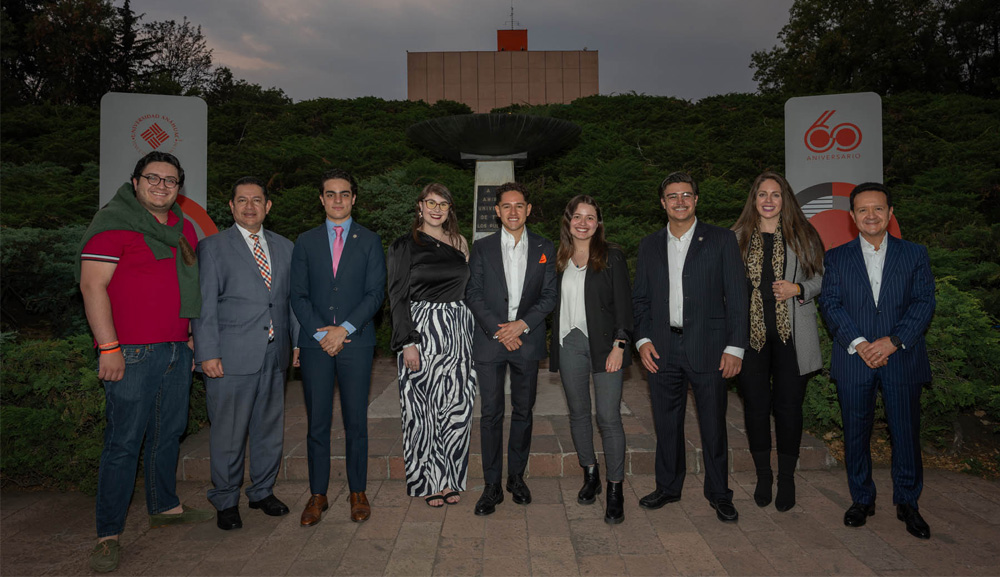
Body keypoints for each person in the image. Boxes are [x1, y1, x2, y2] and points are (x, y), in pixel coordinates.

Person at [78, 151, 213, 572]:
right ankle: (108, 535)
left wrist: (190, 337)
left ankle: (164, 507)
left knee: (168, 433)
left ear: (179, 187)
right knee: (123, 443)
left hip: (176, 347)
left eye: (171, 180)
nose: (161, 186)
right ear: (135, 181)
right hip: (130, 353)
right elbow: (92, 288)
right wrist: (109, 347)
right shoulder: (113, 225)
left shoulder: (182, 229)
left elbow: (187, 288)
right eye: (152, 178)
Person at [819, 182, 935, 540]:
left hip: (902, 356)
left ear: (890, 213)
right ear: (852, 217)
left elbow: (923, 302)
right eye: (863, 210)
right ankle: (862, 499)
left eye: (878, 209)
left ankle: (907, 502)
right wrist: (860, 343)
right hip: (855, 357)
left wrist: (893, 342)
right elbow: (831, 304)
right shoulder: (836, 256)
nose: (871, 215)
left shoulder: (914, 254)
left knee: (905, 432)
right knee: (855, 433)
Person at [632, 171, 749, 523]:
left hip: (711, 348)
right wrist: (642, 339)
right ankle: (668, 486)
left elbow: (738, 297)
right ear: (662, 203)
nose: (679, 201)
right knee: (667, 423)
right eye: (672, 196)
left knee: (713, 425)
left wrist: (735, 347)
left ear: (696, 200)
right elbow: (640, 299)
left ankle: (719, 494)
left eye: (686, 195)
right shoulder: (649, 244)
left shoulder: (722, 239)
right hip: (662, 348)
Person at [191, 177, 300, 531]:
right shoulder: (213, 247)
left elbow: (290, 303)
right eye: (242, 200)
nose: (249, 206)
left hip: (274, 353)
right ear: (231, 206)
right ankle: (225, 499)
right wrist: (207, 353)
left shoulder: (286, 247)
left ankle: (262, 491)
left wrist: (296, 343)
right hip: (230, 356)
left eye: (257, 200)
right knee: (229, 432)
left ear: (268, 206)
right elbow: (204, 305)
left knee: (269, 428)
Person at [290, 169, 386, 525]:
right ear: (321, 199)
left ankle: (357, 491)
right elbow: (296, 294)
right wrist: (321, 333)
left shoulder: (370, 240)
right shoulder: (305, 241)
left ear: (354, 198)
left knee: (355, 421)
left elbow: (376, 293)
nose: (337, 200)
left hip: (356, 342)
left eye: (344, 194)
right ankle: (318, 494)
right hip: (315, 345)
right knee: (317, 423)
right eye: (330, 194)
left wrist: (343, 330)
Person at [731, 171, 825, 512]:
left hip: (793, 340)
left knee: (788, 410)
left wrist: (798, 288)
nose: (768, 200)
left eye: (775, 194)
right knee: (756, 410)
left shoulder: (803, 235)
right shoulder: (736, 237)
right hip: (750, 340)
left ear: (785, 200)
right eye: (762, 194)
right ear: (753, 200)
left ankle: (786, 478)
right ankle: (763, 476)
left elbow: (820, 279)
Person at [465, 182, 557, 516]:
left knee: (523, 410)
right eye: (506, 206)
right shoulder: (482, 248)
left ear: (528, 209)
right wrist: (499, 329)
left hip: (527, 341)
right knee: (490, 413)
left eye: (519, 205)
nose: (513, 212)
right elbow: (472, 292)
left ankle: (515, 477)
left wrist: (522, 325)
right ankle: (491, 485)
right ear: (497, 211)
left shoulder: (545, 247)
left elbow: (549, 295)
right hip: (491, 343)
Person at [387, 183, 476, 508]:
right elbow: (397, 296)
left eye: (443, 204)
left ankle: (451, 478)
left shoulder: (460, 242)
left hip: (458, 330)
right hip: (421, 330)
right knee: (421, 410)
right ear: (420, 207)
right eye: (431, 203)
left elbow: (468, 290)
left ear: (450, 209)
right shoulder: (403, 246)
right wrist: (407, 342)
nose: (437, 209)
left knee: (457, 407)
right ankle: (428, 480)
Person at [548, 195, 633, 524]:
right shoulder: (558, 258)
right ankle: (591, 474)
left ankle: (615, 489)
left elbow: (624, 303)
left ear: (598, 223)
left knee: (608, 417)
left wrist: (620, 343)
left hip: (606, 345)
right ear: (568, 221)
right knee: (579, 414)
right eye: (577, 217)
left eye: (590, 217)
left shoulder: (611, 256)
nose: (583, 223)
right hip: (569, 344)